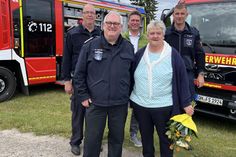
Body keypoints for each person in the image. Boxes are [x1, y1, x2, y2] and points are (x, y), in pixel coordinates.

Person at [73, 11, 134, 157]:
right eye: (109, 23)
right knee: (92, 140)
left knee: (117, 140)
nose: (112, 26)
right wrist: (83, 96)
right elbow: (79, 74)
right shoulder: (90, 46)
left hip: (119, 105)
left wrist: (127, 96)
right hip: (96, 104)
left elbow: (132, 76)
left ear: (121, 27)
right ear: (103, 25)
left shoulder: (128, 47)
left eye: (116, 24)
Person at [130, 20, 194, 157]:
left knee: (166, 141)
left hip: (164, 107)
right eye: (151, 33)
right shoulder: (139, 55)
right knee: (146, 141)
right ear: (147, 36)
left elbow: (182, 80)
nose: (155, 36)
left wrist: (186, 103)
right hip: (141, 106)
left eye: (158, 33)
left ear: (163, 35)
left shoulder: (173, 55)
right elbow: (130, 76)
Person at [62, 4, 101, 156]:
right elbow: (66, 58)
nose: (90, 15)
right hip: (78, 79)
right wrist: (67, 80)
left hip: (96, 80)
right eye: (87, 12)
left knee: (94, 114)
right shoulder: (73, 34)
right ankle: (75, 142)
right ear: (82, 15)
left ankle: (92, 142)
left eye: (92, 13)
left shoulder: (100, 33)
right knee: (78, 113)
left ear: (96, 16)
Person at [165, 3, 205, 99]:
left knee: (188, 102)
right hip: (169, 72)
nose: (179, 16)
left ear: (187, 15)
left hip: (188, 73)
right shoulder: (166, 33)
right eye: (177, 14)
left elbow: (199, 54)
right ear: (173, 15)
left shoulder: (193, 33)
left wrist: (201, 74)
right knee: (169, 102)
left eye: (182, 14)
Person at [122, 10, 147, 147]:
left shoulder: (146, 39)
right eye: (133, 20)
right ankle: (116, 132)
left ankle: (133, 134)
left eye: (137, 20)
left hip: (140, 79)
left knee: (137, 108)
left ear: (140, 23)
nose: (135, 22)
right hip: (124, 78)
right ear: (129, 22)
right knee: (121, 108)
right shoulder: (122, 37)